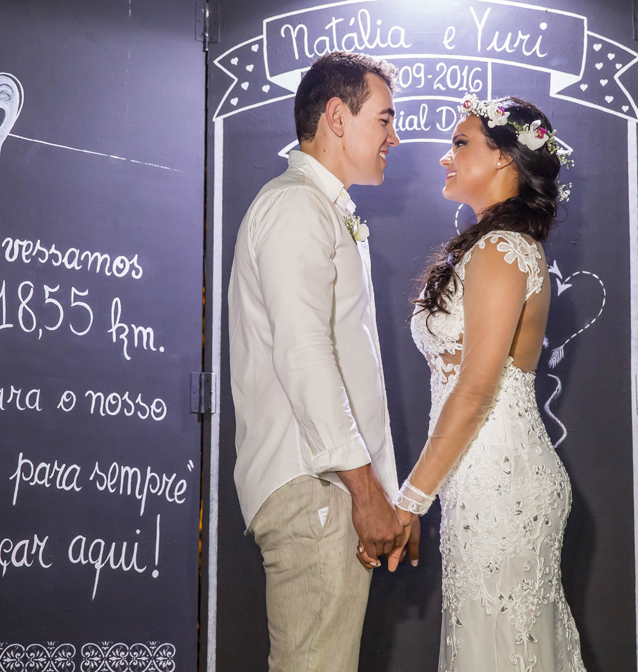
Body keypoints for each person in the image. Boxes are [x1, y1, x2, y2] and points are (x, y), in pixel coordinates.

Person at [227, 51, 419, 672]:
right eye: (384, 119)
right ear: (337, 117)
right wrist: (364, 493)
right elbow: (306, 355)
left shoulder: (316, 207)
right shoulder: (294, 207)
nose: (395, 136)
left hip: (327, 486)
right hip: (315, 488)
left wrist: (382, 495)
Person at [395, 95, 587, 671]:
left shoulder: (503, 250)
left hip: (501, 484)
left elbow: (477, 388)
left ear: (505, 159)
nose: (444, 158)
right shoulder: (491, 246)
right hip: (478, 482)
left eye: (460, 144)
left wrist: (410, 500)